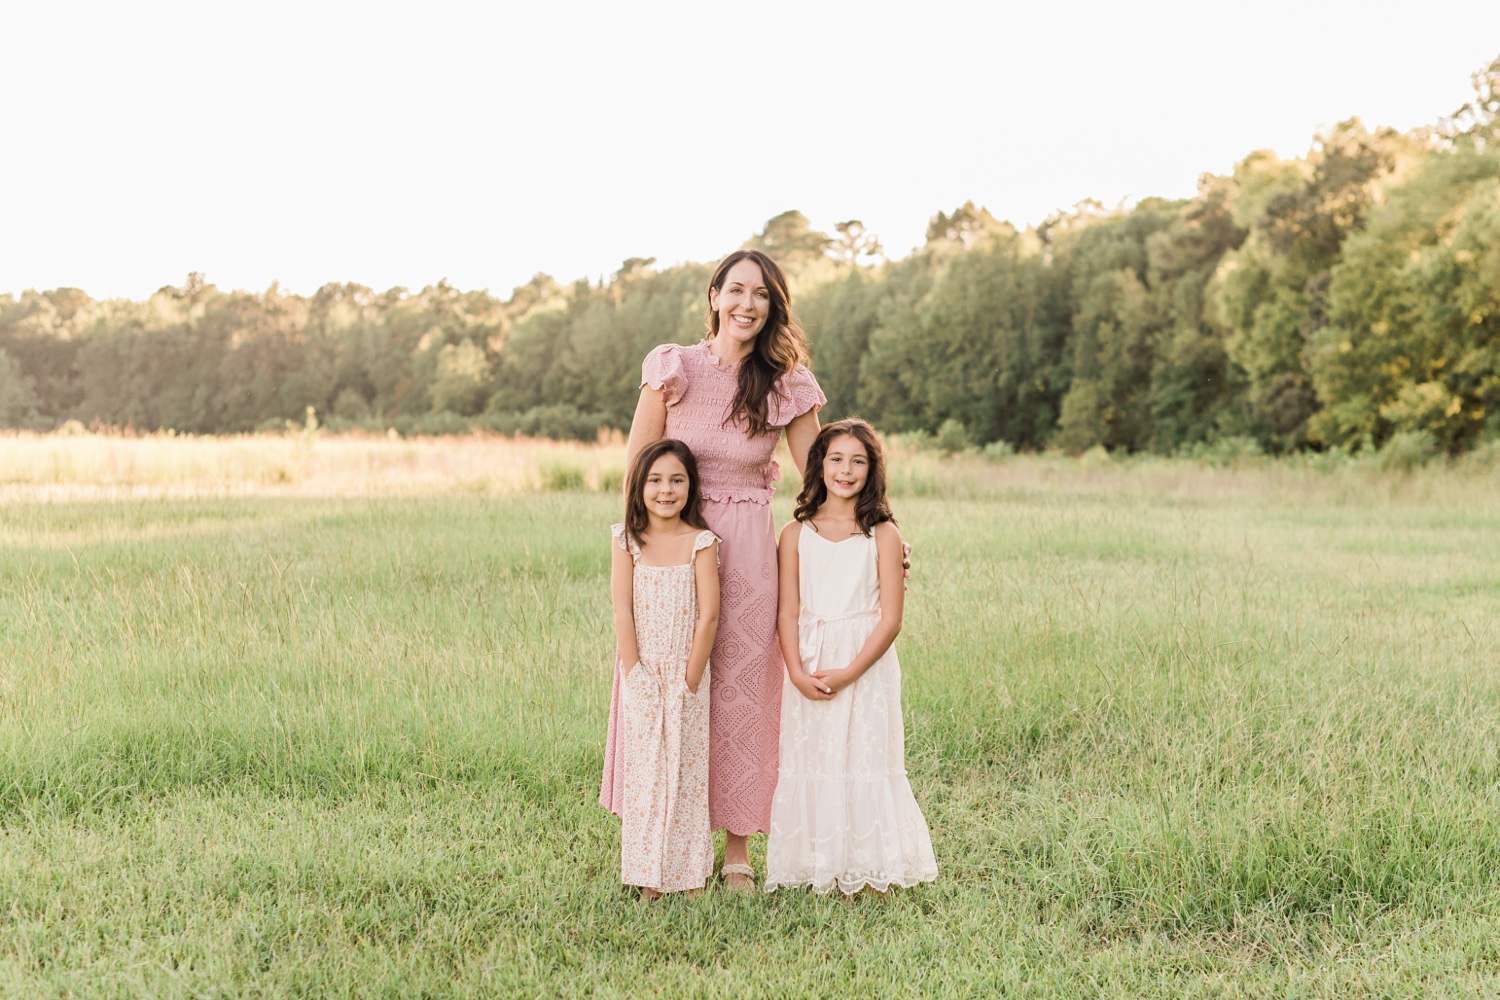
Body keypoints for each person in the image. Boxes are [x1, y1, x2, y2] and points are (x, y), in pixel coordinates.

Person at [600, 249, 825, 890]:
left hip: (750, 550)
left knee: (743, 690)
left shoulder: (787, 383)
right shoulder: (675, 368)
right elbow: (640, 464)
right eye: (738, 291)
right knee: (668, 682)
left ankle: (736, 850)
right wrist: (631, 548)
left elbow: (822, 478)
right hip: (673, 544)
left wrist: (878, 533)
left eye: (763, 295)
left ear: (774, 307)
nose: (748, 305)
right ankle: (664, 835)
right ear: (715, 296)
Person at [763, 419, 937, 895]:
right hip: (811, 658)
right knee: (815, 756)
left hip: (865, 664)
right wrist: (796, 671)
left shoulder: (882, 533)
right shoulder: (794, 535)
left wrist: (850, 671)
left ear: (872, 470)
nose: (846, 470)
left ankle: (868, 864)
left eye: (858, 461)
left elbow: (890, 619)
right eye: (836, 459)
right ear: (817, 464)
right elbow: (786, 612)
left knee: (864, 755)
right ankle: (816, 862)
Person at [609, 439, 721, 898]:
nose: (665, 490)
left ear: (690, 486)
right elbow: (622, 611)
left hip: (686, 675)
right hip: (643, 674)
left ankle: (690, 876)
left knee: (687, 776)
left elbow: (709, 615)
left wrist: (690, 680)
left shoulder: (701, 542)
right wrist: (634, 673)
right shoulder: (627, 541)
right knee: (646, 777)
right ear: (640, 487)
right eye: (655, 480)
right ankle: (648, 876)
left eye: (676, 480)